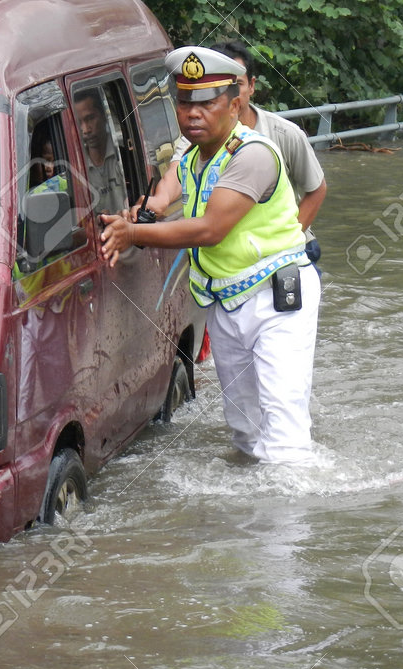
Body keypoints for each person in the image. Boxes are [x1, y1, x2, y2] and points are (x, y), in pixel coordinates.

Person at [99, 45, 320, 463]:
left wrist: (135, 234)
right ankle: (248, 523)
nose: (193, 113)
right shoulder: (193, 156)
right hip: (225, 299)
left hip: (276, 299)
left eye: (206, 103)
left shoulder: (253, 154)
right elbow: (168, 188)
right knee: (243, 429)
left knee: (283, 424)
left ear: (235, 104)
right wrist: (145, 213)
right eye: (184, 103)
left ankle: (292, 522)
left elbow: (211, 229)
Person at [148, 39, 327, 263]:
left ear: (251, 86)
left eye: (237, 85)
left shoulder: (283, 134)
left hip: (286, 254)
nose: (229, 92)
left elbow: (316, 188)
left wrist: (283, 246)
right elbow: (177, 174)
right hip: (232, 257)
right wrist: (159, 201)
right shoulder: (198, 137)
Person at [72, 88, 126, 215]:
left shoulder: (125, 155)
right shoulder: (76, 168)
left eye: (90, 118)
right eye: (79, 123)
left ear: (104, 115)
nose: (85, 129)